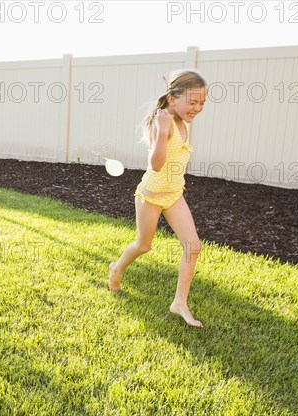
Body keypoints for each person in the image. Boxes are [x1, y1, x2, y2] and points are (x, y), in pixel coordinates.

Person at [109, 69, 207, 328]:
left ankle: (179, 303)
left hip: (174, 194)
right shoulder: (160, 124)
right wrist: (163, 132)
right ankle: (117, 268)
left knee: (192, 246)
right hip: (150, 196)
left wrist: (174, 98)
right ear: (174, 100)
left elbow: (174, 101)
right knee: (143, 245)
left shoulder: (180, 119)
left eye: (201, 103)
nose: (197, 108)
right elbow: (156, 163)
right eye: (193, 102)